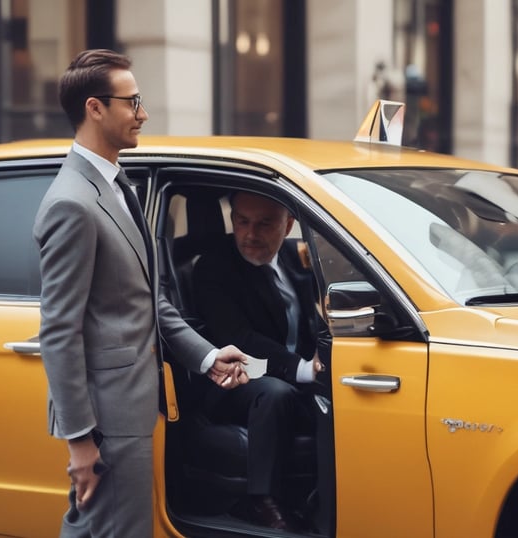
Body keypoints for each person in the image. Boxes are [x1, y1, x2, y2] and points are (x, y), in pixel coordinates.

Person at [33, 49, 248, 538]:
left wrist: (205, 356)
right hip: (108, 417)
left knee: (102, 529)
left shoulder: (115, 185)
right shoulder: (73, 203)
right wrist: (81, 440)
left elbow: (144, 298)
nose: (142, 114)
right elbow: (59, 331)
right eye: (132, 102)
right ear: (95, 108)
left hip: (131, 405)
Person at [192, 191, 326, 531]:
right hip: (232, 373)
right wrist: (301, 369)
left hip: (293, 368)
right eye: (242, 222)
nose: (250, 234)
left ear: (289, 225)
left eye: (265, 223)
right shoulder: (213, 267)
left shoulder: (298, 261)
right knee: (275, 393)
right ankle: (261, 503)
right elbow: (239, 339)